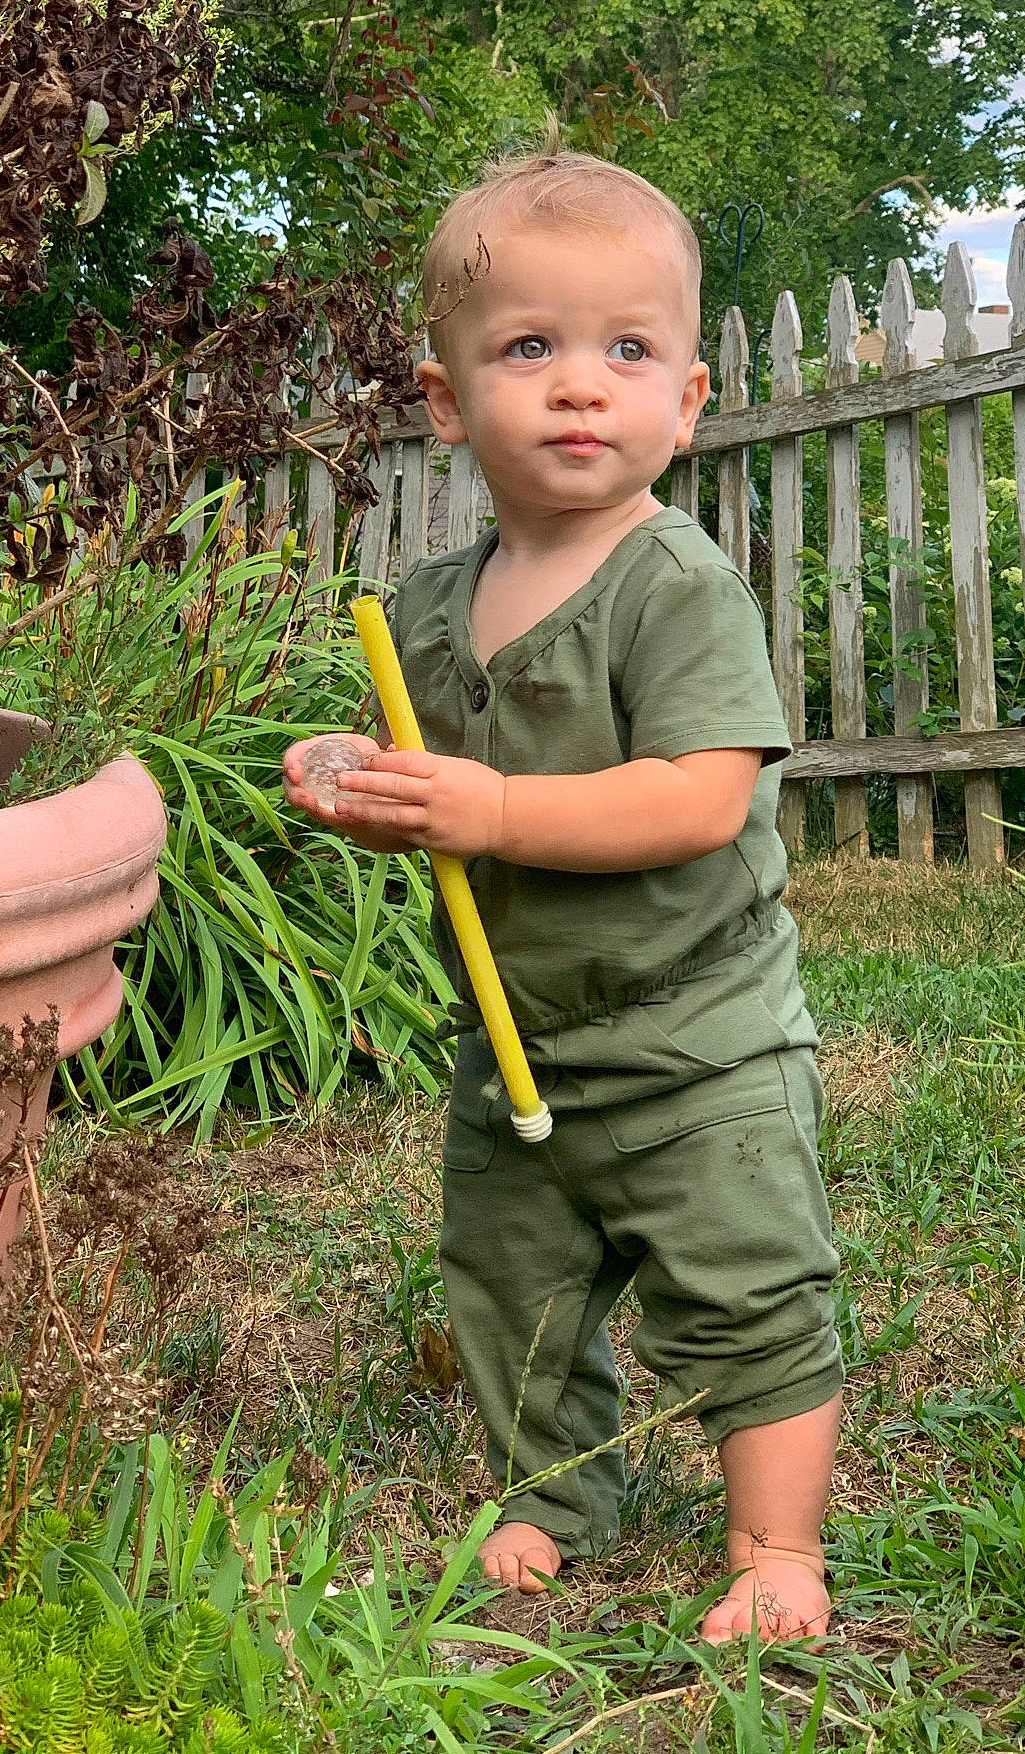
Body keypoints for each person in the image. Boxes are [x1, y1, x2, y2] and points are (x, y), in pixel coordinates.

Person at [281, 140, 842, 1644]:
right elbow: (452, 782)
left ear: (689, 399)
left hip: (694, 1032)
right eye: (530, 349)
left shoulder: (674, 586)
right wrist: (373, 777)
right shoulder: (427, 605)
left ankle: (777, 1546)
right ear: (448, 402)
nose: (581, 385)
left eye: (627, 351)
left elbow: (699, 796)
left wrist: (492, 807)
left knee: (747, 1285)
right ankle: (550, 1495)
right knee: (512, 1291)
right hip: (516, 1035)